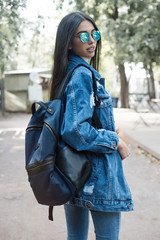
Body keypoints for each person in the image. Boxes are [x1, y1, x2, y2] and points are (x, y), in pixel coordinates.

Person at [50, 11, 134, 240]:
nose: (92, 40)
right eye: (83, 36)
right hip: (97, 176)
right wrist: (115, 141)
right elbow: (76, 130)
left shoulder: (66, 74)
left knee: (75, 237)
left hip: (72, 172)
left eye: (94, 33)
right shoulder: (82, 76)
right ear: (68, 43)